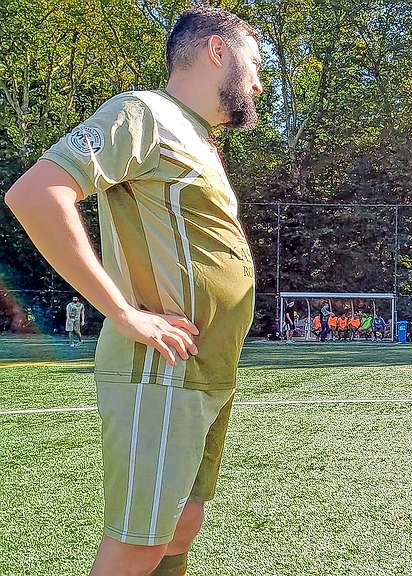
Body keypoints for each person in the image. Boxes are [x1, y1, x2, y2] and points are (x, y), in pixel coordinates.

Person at [4, 7, 263, 576]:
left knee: (181, 524)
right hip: (160, 369)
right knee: (140, 541)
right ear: (217, 51)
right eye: (255, 63)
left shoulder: (200, 141)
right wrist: (123, 313)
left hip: (205, 371)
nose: (259, 82)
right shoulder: (143, 113)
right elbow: (36, 194)